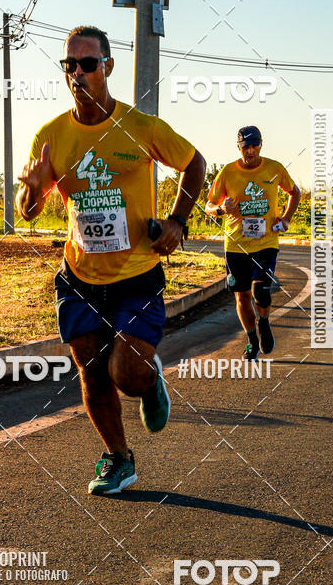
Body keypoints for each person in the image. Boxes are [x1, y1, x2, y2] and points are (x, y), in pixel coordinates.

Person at [16, 26, 205, 496]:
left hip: (136, 274)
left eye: (88, 64)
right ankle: (119, 458)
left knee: (125, 373)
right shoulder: (51, 136)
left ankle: (150, 380)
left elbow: (195, 163)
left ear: (108, 67)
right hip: (79, 276)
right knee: (91, 371)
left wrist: (178, 220)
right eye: (70, 65)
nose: (78, 73)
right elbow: (27, 209)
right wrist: (33, 190)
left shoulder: (140, 127)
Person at [205, 126, 300, 360]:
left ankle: (264, 322)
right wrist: (220, 209)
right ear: (238, 147)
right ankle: (251, 340)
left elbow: (295, 192)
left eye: (254, 145)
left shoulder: (274, 168)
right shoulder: (227, 172)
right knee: (242, 297)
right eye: (245, 146)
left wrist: (286, 219)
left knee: (261, 292)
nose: (250, 151)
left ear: (261, 145)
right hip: (235, 245)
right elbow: (209, 205)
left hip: (266, 242)